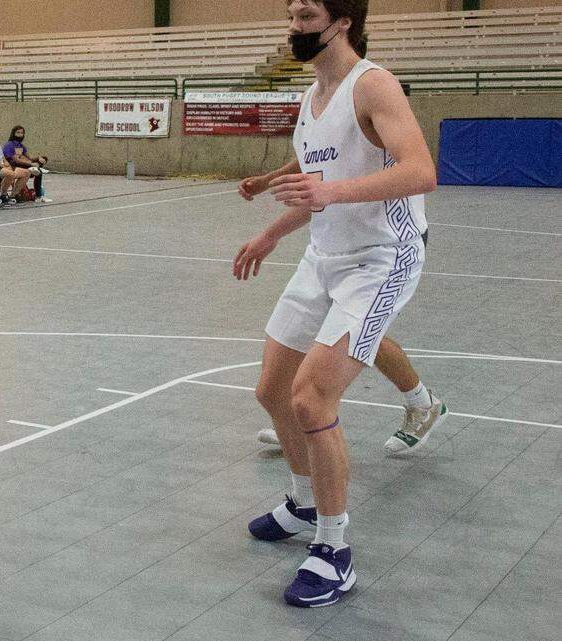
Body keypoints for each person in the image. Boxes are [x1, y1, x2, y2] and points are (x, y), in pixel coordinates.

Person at [232, 0, 437, 607]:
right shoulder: (312, 96)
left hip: (382, 258)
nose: (293, 28)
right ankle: (301, 500)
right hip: (323, 256)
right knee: (272, 390)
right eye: (291, 16)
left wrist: (328, 191)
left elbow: (422, 171)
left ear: (341, 22)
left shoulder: (373, 84)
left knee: (310, 395)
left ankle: (334, 549)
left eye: (306, 17)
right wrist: (271, 228)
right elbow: (320, 171)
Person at [239, 165, 446, 456]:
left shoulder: (375, 125)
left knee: (354, 333)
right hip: (337, 246)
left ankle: (422, 403)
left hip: (383, 246)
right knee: (344, 332)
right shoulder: (316, 121)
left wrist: (317, 197)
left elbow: (419, 173)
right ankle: (301, 422)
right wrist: (266, 179)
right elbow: (317, 155)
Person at [3, 125, 52, 203]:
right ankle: (37, 195)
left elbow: (29, 158)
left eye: (22, 133)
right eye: (18, 132)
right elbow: (16, 160)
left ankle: (38, 195)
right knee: (36, 171)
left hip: (21, 164)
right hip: (12, 166)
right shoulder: (9, 145)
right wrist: (30, 164)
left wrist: (39, 158)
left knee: (38, 171)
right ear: (13, 133)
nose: (20, 135)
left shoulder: (19, 145)